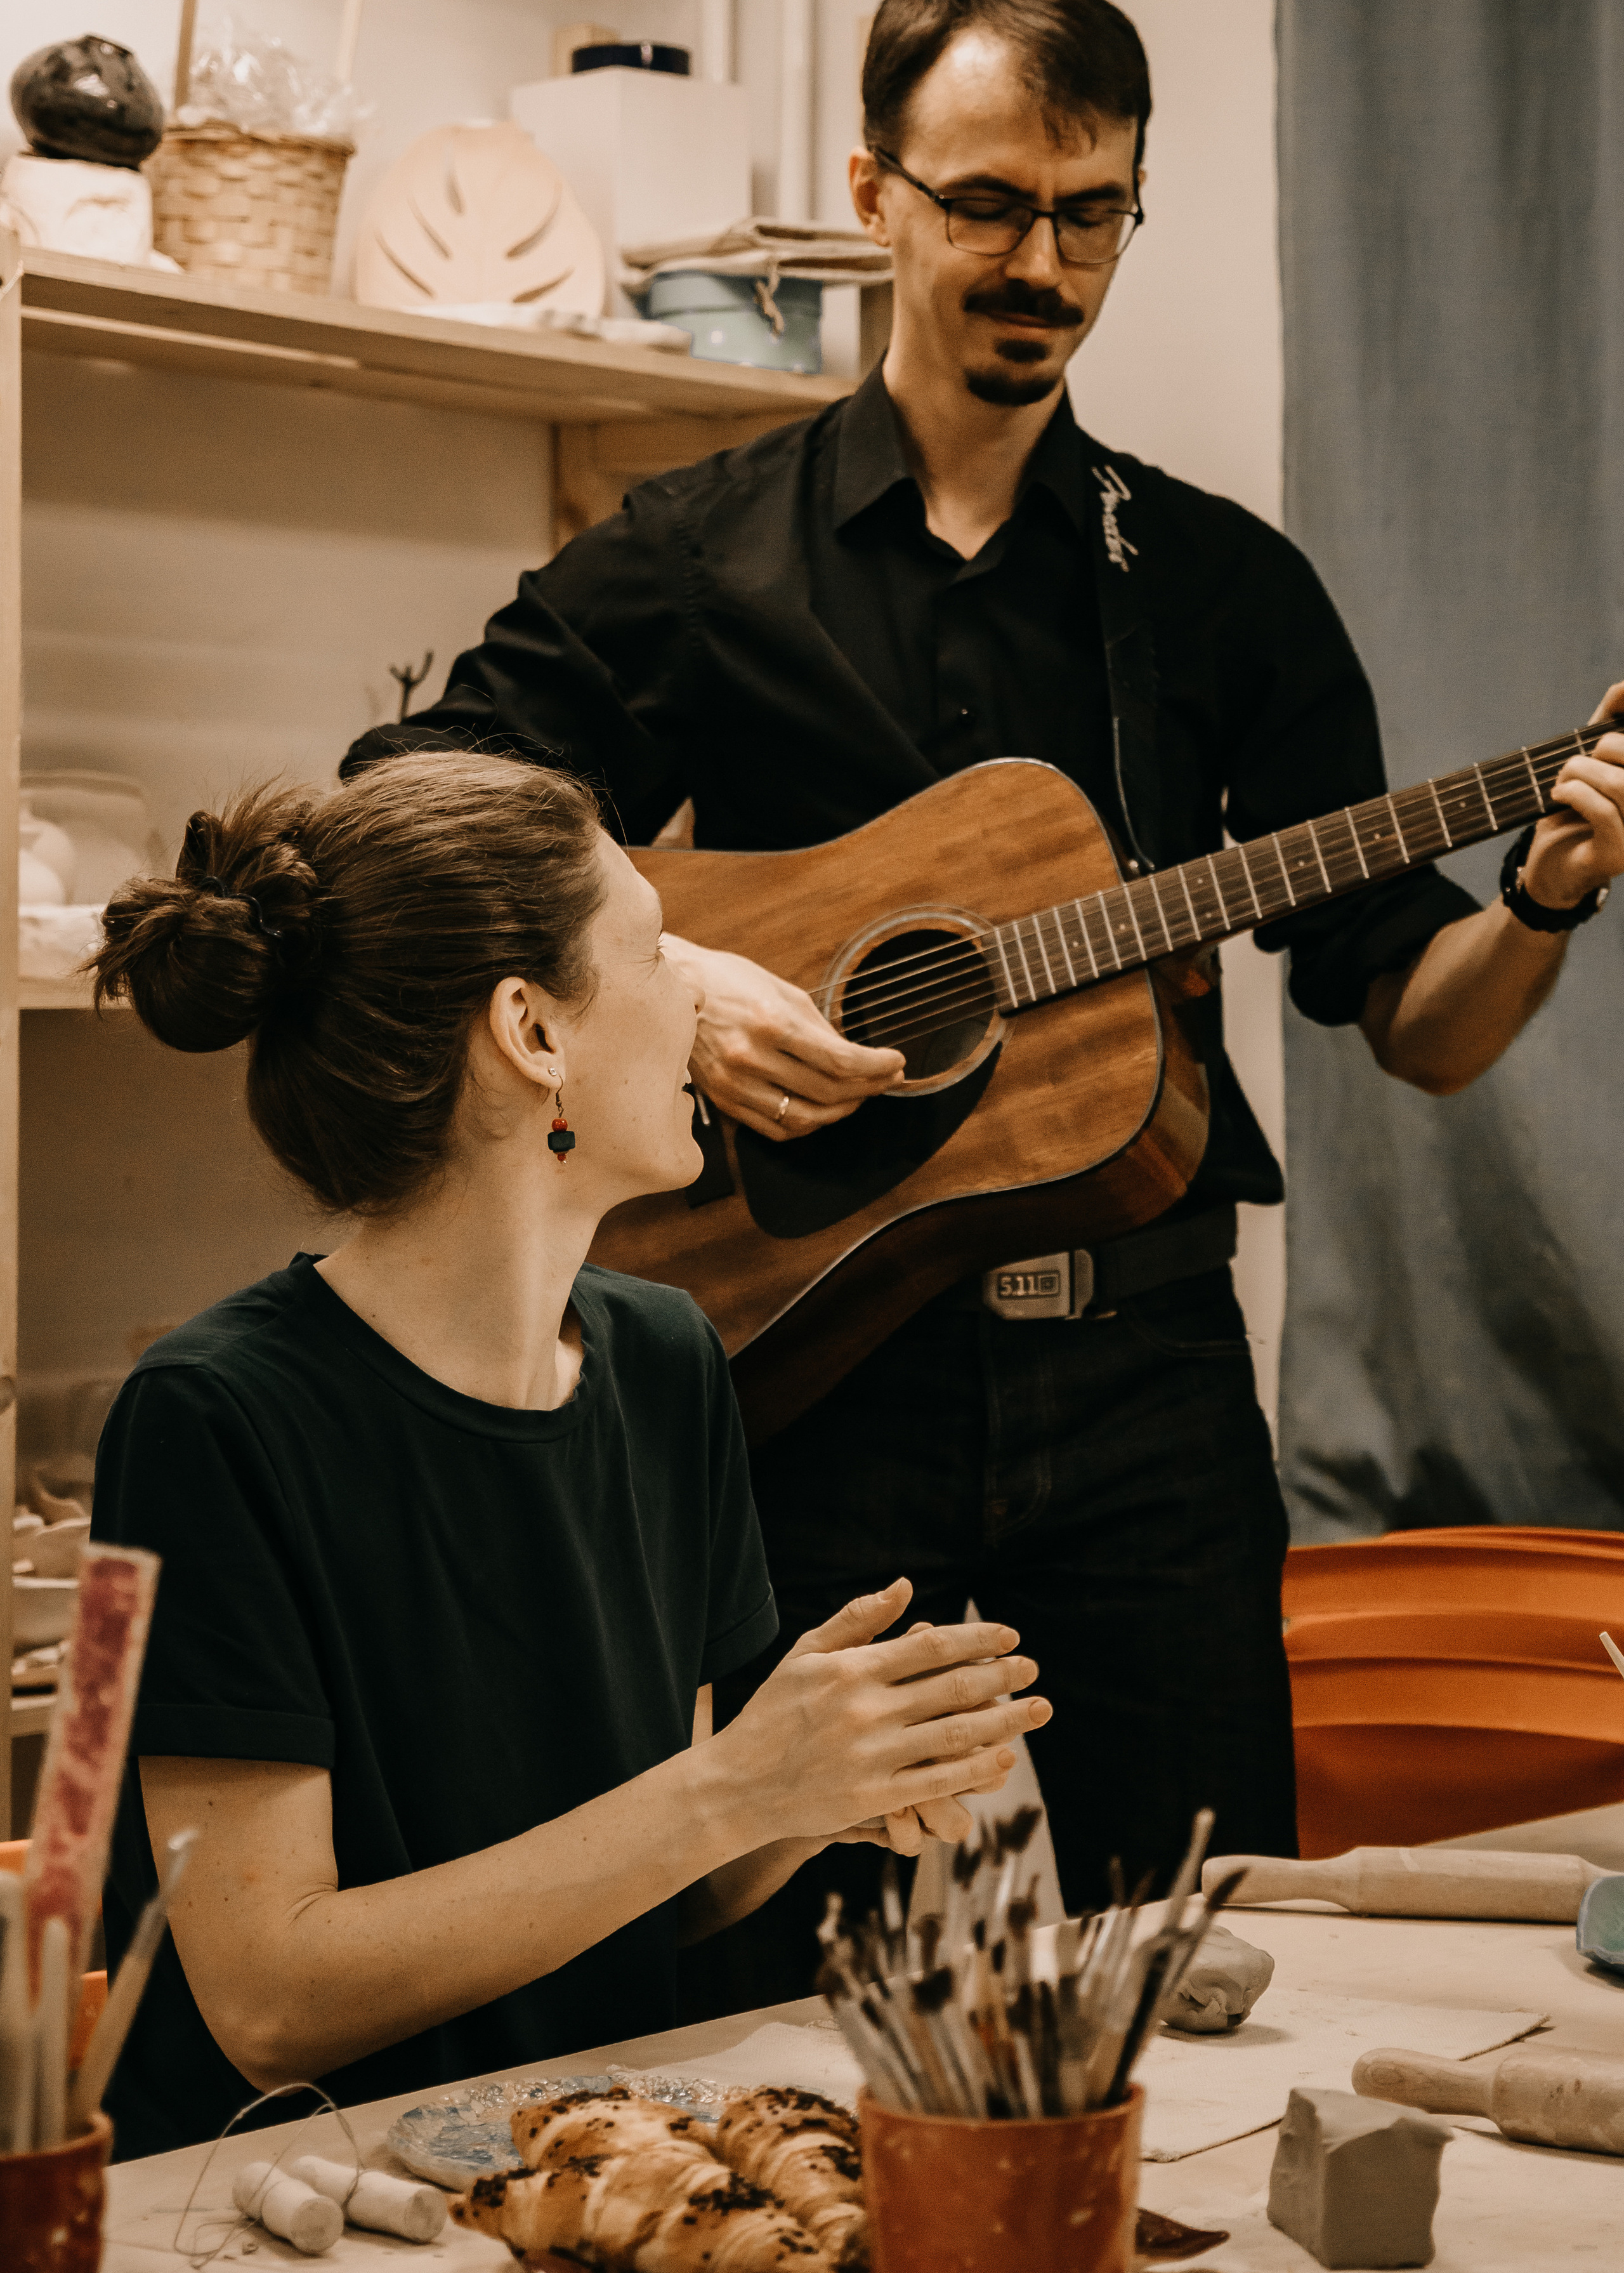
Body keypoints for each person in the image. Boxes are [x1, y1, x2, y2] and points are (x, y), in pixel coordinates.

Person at [341, 0, 1624, 2006]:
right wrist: (673, 974)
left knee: (1199, 1962)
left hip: (1145, 1397)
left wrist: (1547, 893)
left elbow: (1420, 1015)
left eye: (1095, 218)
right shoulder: (690, 556)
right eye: (995, 206)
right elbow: (401, 812)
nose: (1047, 265)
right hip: (802, 1380)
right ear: (875, 197)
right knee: (800, 1983)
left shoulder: (1217, 592)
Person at [91, 751, 1049, 2158]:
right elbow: (270, 2002)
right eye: (660, 950)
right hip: (297, 2205)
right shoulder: (213, 1418)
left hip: (592, 2156)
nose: (702, 1000)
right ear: (530, 1031)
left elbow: (661, 1878)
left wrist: (811, 1794)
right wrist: (733, 1790)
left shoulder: (664, 1360)